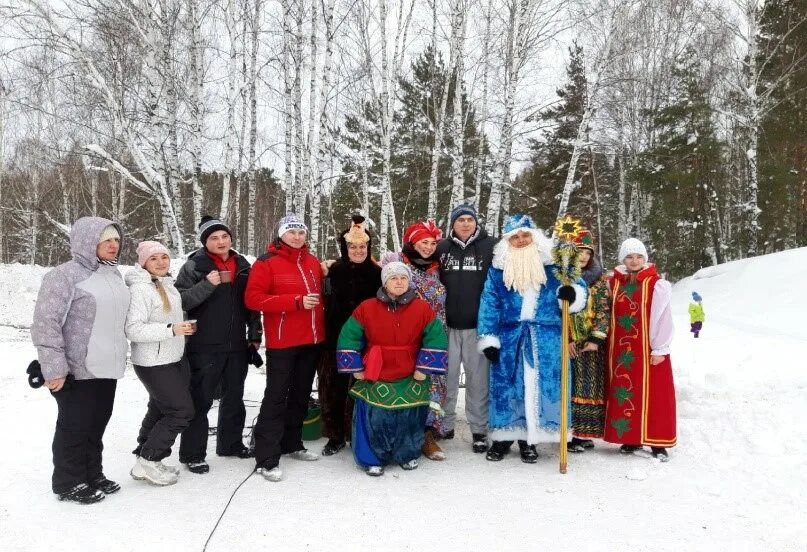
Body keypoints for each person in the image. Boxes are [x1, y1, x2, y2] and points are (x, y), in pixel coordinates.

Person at [32, 217, 130, 504]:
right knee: (74, 426)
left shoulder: (114, 275)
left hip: (107, 366)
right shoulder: (63, 276)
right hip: (76, 368)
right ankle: (68, 481)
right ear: (88, 242)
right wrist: (54, 369)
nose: (114, 245)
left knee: (96, 424)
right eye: (105, 240)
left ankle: (91, 473)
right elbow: (45, 323)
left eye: (116, 239)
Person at [477, 214, 587, 463]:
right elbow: (489, 303)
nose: (520, 240)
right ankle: (503, 438)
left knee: (539, 387)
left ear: (534, 236)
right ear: (508, 241)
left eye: (525, 235)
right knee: (507, 388)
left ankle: (530, 440)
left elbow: (579, 293)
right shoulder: (498, 270)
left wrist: (572, 294)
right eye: (515, 237)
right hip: (510, 337)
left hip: (546, 339)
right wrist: (488, 337)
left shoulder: (555, 265)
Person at [336, 262, 448, 476]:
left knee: (409, 417)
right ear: (385, 282)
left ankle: (406, 454)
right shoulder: (366, 307)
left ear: (409, 282)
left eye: (403, 278)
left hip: (411, 371)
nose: (399, 282)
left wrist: (424, 367)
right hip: (376, 371)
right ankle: (373, 458)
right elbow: (348, 336)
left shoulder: (422, 308)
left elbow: (436, 336)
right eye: (393, 278)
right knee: (375, 418)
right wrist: (355, 366)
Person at [176, 216, 263, 474]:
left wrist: (254, 335)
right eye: (214, 238)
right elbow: (181, 301)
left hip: (236, 344)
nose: (221, 241)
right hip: (203, 345)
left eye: (224, 236)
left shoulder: (243, 264)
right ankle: (193, 454)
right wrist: (207, 284)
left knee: (234, 398)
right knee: (200, 400)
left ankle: (231, 444)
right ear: (205, 242)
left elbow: (252, 304)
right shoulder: (194, 266)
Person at [246, 214, 326, 482]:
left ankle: (293, 443)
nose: (297, 237)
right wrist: (295, 301)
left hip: (312, 340)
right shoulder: (266, 262)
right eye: (291, 232)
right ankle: (266, 457)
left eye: (301, 232)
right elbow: (253, 299)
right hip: (283, 342)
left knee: (301, 394)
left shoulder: (313, 262)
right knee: (276, 396)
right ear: (281, 235)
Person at [125, 241, 196, 486]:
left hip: (171, 357)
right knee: (181, 411)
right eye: (154, 259)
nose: (161, 262)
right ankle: (149, 459)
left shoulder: (168, 284)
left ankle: (143, 455)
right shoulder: (140, 289)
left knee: (159, 408)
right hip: (152, 361)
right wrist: (172, 330)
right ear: (143, 262)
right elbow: (133, 329)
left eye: (164, 257)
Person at [603, 238, 677, 461]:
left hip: (647, 350)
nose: (634, 261)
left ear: (645, 258)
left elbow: (663, 318)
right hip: (620, 351)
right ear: (622, 259)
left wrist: (660, 348)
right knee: (626, 392)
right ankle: (631, 438)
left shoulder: (655, 284)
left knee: (654, 395)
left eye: (638, 257)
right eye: (629, 256)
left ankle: (657, 443)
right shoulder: (613, 283)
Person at [382, 220, 448, 461]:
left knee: (434, 383)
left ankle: (427, 435)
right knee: (406, 382)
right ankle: (402, 433)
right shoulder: (396, 264)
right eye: (423, 242)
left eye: (432, 243)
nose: (429, 247)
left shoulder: (438, 266)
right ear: (412, 242)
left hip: (436, 334)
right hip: (406, 335)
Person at [318, 215, 382, 456]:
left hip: (366, 340)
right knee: (332, 387)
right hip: (334, 338)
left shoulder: (377, 273)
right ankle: (334, 435)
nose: (357, 250)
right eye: (352, 246)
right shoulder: (332, 270)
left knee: (361, 388)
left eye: (362, 246)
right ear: (345, 248)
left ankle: (356, 431)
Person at [436, 203, 495, 453]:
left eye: (470, 219)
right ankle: (445, 424)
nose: (465, 223)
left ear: (476, 223)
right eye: (460, 220)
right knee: (446, 380)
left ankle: (479, 430)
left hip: (477, 327)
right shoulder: (441, 248)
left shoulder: (490, 246)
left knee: (478, 381)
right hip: (447, 326)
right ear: (453, 223)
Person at [567, 229, 611, 453]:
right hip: (571, 342)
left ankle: (586, 433)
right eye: (578, 252)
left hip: (591, 343)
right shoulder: (563, 278)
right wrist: (566, 340)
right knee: (570, 386)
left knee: (589, 386)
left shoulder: (599, 280)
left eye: (587, 252)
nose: (583, 257)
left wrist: (595, 338)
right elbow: (558, 312)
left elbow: (604, 310)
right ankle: (570, 432)